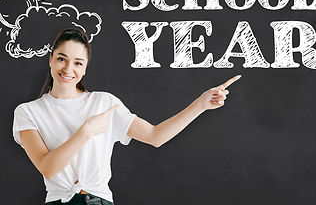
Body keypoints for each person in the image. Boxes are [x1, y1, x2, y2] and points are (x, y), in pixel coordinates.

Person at [12, 28, 241, 205]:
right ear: (50, 59)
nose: (68, 68)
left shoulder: (104, 103)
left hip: (99, 201)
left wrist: (200, 104)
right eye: (62, 59)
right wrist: (86, 132)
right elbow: (48, 167)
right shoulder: (28, 112)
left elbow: (155, 135)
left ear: (85, 69)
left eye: (78, 63)